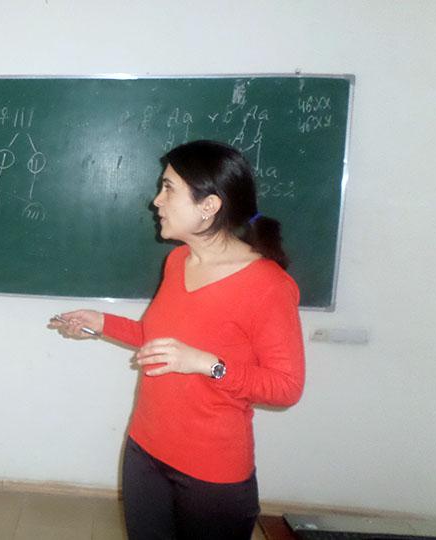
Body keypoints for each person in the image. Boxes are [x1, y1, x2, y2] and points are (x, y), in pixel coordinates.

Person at [49, 140, 305, 540]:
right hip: (145, 451)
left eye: (168, 188)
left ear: (209, 206)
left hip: (212, 474)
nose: (156, 201)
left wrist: (207, 364)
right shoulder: (177, 261)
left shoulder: (268, 286)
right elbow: (159, 341)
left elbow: (286, 387)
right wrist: (101, 323)